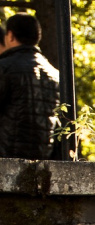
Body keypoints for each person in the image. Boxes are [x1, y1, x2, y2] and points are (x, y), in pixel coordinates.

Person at [0, 13, 59, 160]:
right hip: (43, 160)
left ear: (10, 36)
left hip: (6, 158)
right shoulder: (54, 74)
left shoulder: (5, 67)